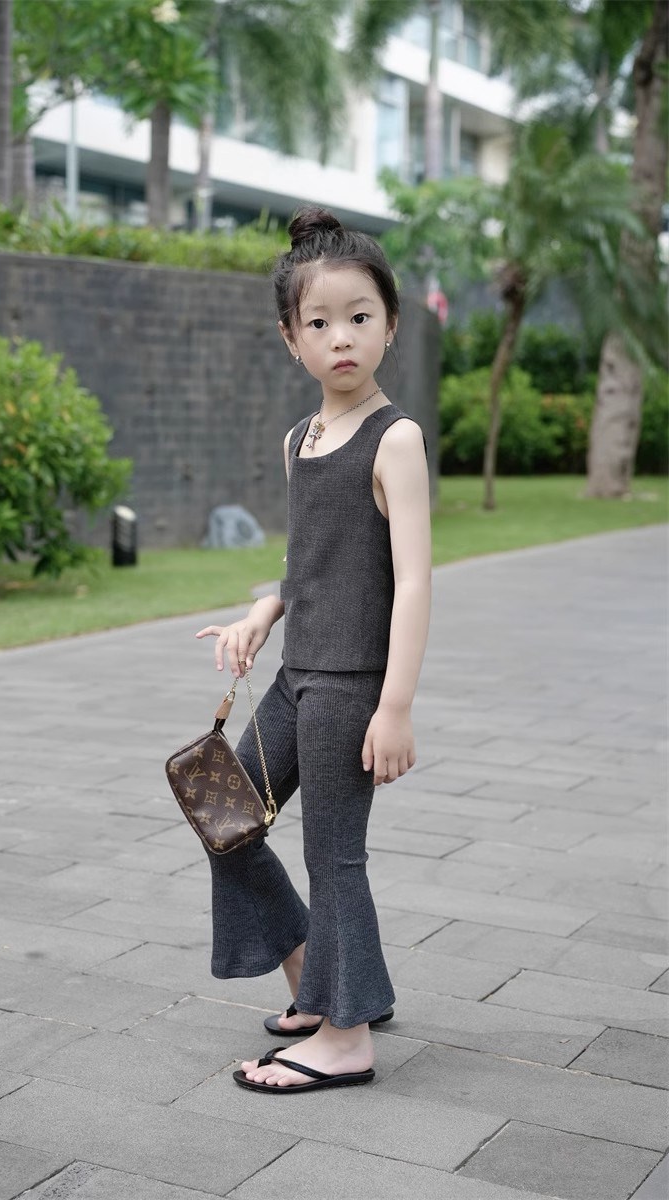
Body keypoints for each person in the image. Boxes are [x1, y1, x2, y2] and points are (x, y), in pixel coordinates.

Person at [195, 206, 431, 1094]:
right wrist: (263, 611)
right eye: (319, 322)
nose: (342, 337)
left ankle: (346, 1039)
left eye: (360, 316)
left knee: (334, 858)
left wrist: (395, 706)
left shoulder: (393, 439)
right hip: (297, 676)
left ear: (390, 324)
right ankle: (321, 979)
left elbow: (414, 582)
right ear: (291, 338)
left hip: (349, 687)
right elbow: (311, 561)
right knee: (223, 814)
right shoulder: (301, 439)